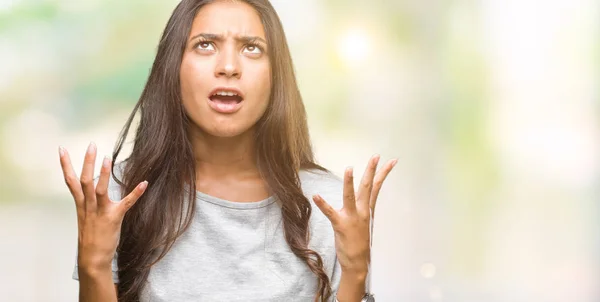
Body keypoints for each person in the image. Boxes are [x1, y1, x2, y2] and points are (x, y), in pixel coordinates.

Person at [58, 0, 396, 301]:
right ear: (173, 67)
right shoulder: (121, 195)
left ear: (276, 76)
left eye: (252, 48)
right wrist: (94, 266)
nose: (229, 67)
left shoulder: (329, 205)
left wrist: (355, 274)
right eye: (205, 45)